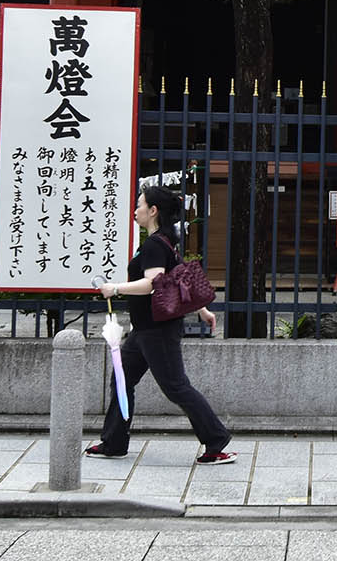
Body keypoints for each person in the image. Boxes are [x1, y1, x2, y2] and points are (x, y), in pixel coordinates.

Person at [88, 185, 234, 464]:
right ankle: (114, 442)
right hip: (144, 330)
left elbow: (153, 284)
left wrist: (114, 288)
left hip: (157, 331)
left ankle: (216, 441)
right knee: (122, 380)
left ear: (153, 211)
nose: (136, 209)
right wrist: (201, 308)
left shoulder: (156, 243)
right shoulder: (164, 240)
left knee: (176, 387)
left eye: (140, 204)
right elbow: (175, 279)